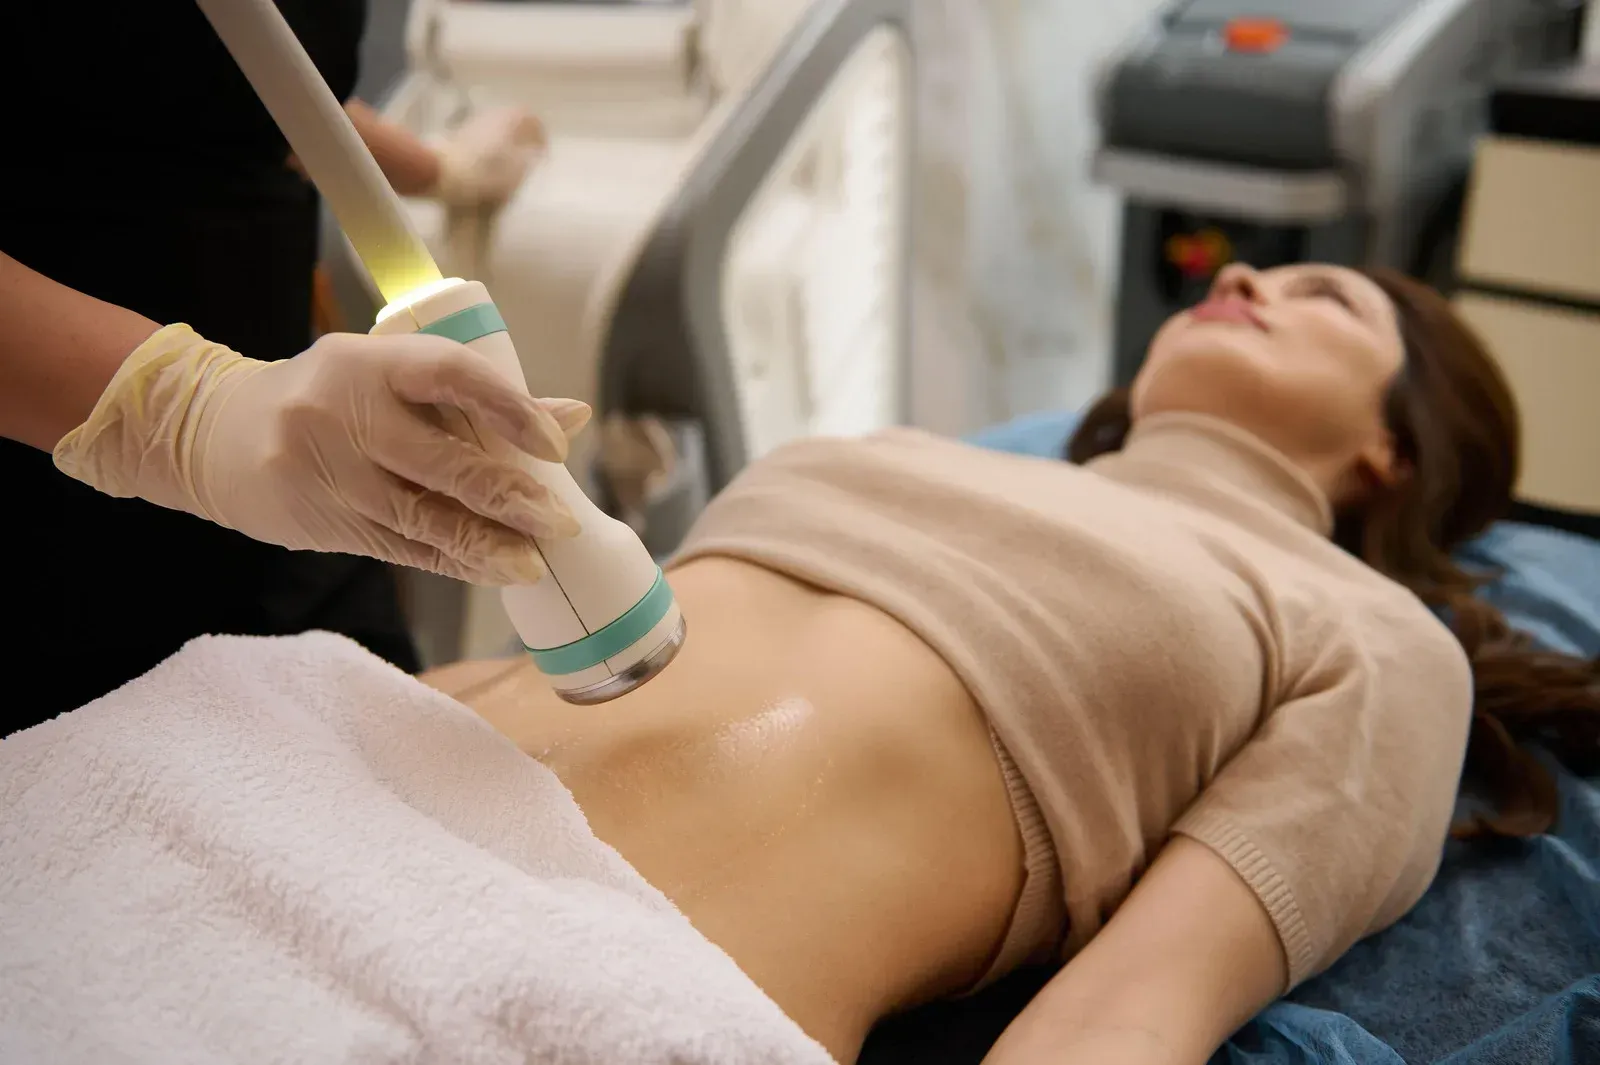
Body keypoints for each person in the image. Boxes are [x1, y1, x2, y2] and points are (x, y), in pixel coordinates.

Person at [422, 263, 1600, 1065]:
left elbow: (1130, 1016)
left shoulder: (1372, 635)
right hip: (336, 774)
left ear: (1395, 446)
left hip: (564, 990)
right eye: (1249, 274)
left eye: (1322, 296)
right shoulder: (890, 448)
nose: (1239, 279)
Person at [1, 1, 568, 732]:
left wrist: (442, 170)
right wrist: (185, 413)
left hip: (291, 468)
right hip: (50, 524)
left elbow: (231, 81)